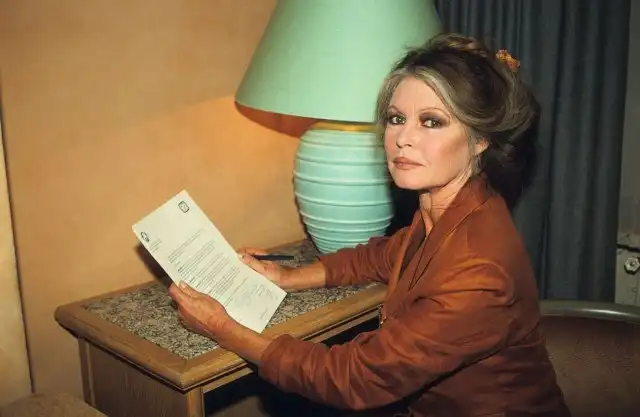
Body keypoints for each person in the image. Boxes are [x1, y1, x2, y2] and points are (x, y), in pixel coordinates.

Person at [169, 33, 571, 417]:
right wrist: (286, 277)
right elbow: (387, 255)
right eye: (396, 118)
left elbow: (354, 378)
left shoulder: (477, 268)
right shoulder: (456, 208)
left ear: (480, 139)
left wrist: (223, 328)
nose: (403, 138)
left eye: (431, 122)